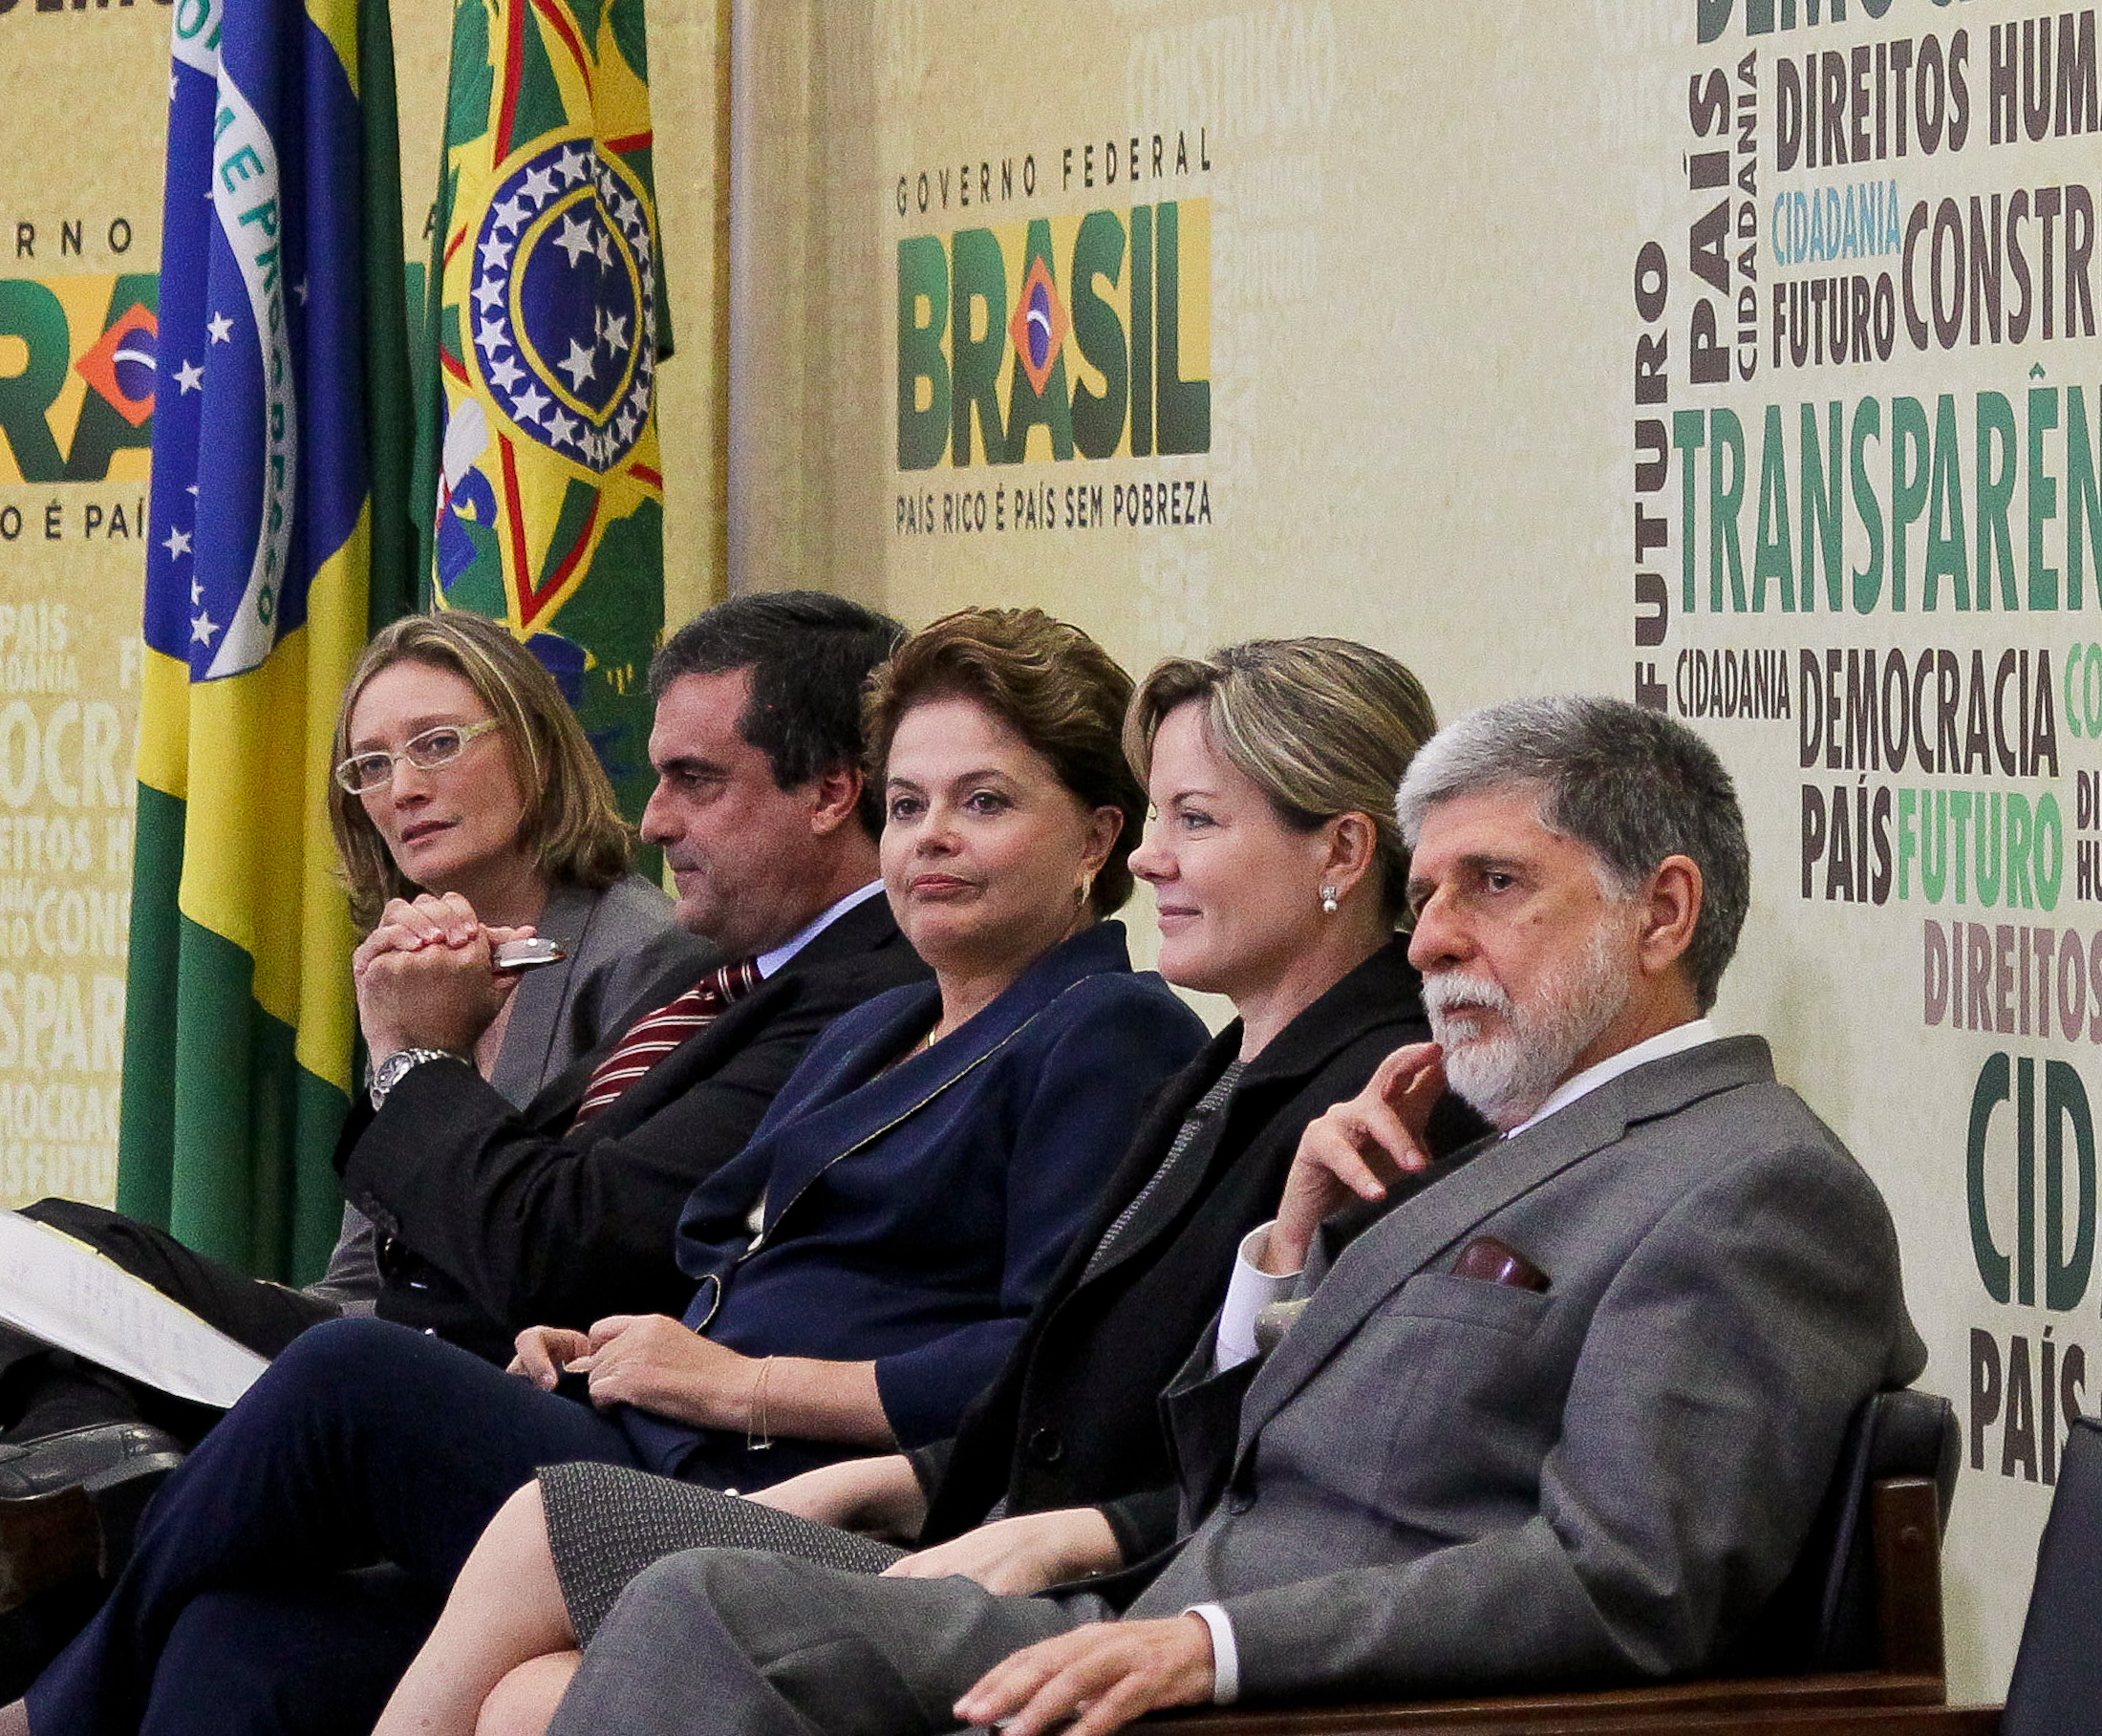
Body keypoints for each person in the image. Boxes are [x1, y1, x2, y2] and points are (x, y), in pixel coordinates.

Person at [533, 694, 1928, 1736]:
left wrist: (1212, 1646)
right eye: (1429, 888)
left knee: (699, 1614)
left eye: (1493, 886)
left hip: (1284, 1695)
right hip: (1141, 1615)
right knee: (706, 1595)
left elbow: (1626, 1584)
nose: (1433, 933)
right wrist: (1288, 1253)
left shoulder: (1749, 1186)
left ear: (1662, 912)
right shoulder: (1498, 1136)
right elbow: (1255, 1463)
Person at [0, 607, 1212, 1736]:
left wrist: (750, 1386)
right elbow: (726, 1259)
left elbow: (1051, 1364)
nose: (932, 837)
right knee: (244, 1639)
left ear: (1099, 835)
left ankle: (44, 1719)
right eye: (909, 803)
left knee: (346, 1373)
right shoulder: (872, 1028)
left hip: (791, 1506)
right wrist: (609, 1335)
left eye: (983, 802)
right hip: (637, 1435)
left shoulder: (1107, 1027)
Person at [380, 636, 1474, 1736]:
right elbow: (1074, 1379)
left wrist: (1061, 1522)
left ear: (1340, 851)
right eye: (904, 805)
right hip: (956, 1509)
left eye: (1194, 822)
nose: (1150, 861)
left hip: (1117, 1588)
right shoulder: (1218, 1064)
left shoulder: (1373, 1093)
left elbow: (1306, 1467)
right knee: (518, 1690)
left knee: (507, 1495)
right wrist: (897, 1474)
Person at [0, 606, 747, 1736]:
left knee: (46, 1412)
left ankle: (42, 1530)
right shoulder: (413, 959)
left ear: (533, 743)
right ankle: (66, 1471)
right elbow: (358, 1267)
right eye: (372, 766)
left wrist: (422, 1056)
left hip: (477, 1377)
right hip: (361, 1345)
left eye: (439, 744)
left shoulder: (643, 959)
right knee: (33, 1312)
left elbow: (548, 1244)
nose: (402, 788)